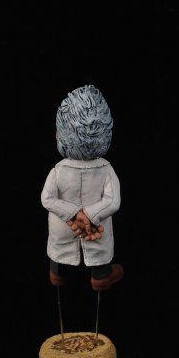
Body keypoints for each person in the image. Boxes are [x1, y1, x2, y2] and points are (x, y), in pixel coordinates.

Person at [41, 84, 124, 292]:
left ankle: (57, 272)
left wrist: (74, 215)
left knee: (60, 249)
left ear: (61, 135)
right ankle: (101, 275)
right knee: (99, 250)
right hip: (94, 228)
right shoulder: (106, 170)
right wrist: (89, 216)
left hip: (64, 225)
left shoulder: (58, 170)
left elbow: (47, 199)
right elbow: (112, 201)